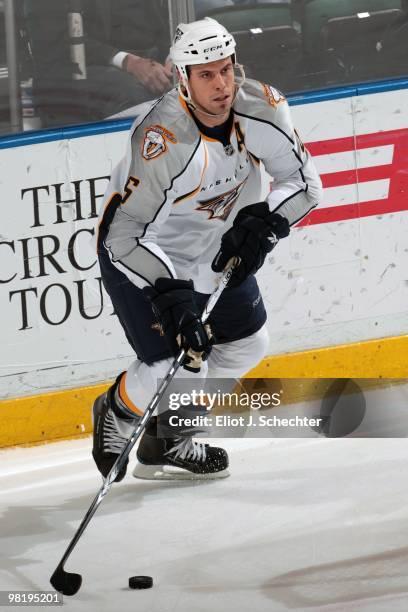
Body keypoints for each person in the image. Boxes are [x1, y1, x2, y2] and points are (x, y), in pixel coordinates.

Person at [93, 17, 323, 481]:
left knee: (246, 344)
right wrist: (170, 294)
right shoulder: (163, 138)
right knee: (173, 366)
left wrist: (267, 223)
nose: (221, 85)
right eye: (206, 74)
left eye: (226, 69)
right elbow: (127, 235)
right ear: (183, 77)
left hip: (213, 248)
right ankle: (119, 405)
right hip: (141, 252)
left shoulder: (263, 106)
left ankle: (170, 438)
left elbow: (304, 185)